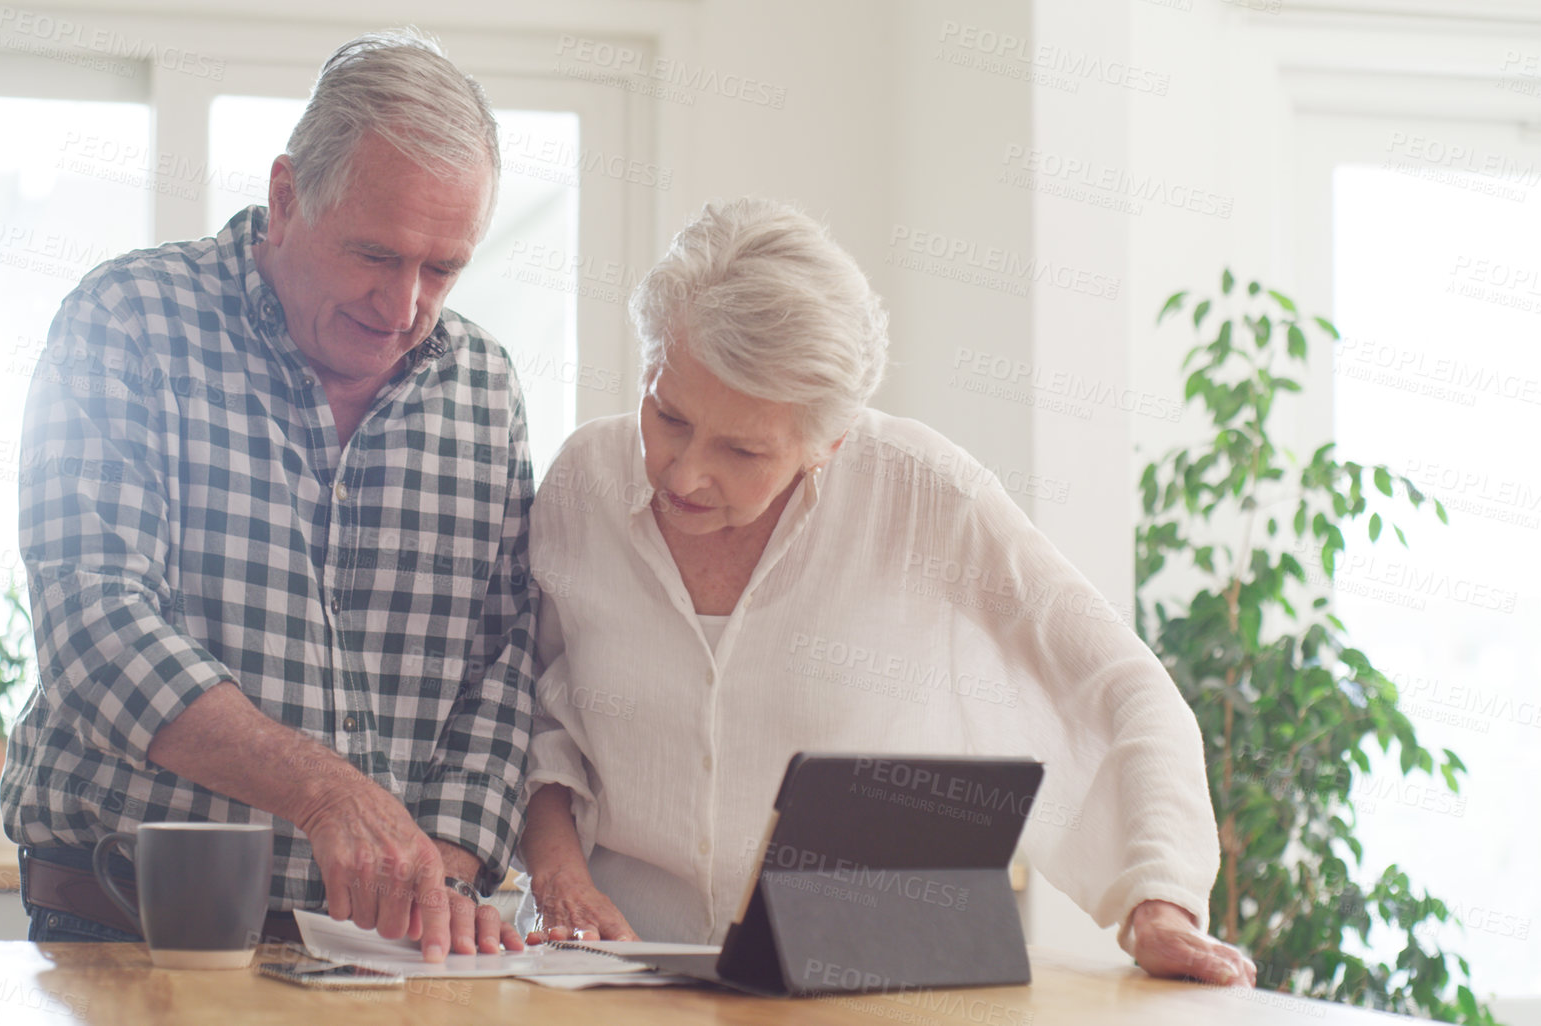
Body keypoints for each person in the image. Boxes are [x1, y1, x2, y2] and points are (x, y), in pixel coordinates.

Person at [516, 198, 1258, 986]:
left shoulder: (924, 494)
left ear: (826, 442)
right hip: (610, 972)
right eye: (667, 415)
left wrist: (1160, 896)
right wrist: (558, 878)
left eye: (741, 449)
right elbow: (537, 715)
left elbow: (1122, 685)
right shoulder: (582, 483)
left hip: (858, 984)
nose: (684, 472)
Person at [1, 29, 534, 962]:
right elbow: (92, 620)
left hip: (386, 951)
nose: (403, 305)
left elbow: (508, 661)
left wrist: (438, 870)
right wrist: (325, 792)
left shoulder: (484, 387)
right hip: (129, 925)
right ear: (287, 199)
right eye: (374, 254)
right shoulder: (128, 321)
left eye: (442, 268)